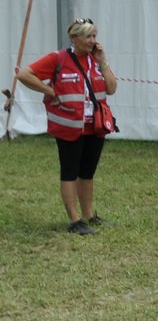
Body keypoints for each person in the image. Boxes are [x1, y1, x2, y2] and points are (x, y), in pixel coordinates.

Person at [17, 18, 120, 235]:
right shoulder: (59, 58)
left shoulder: (95, 60)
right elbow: (24, 74)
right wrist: (50, 92)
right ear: (74, 38)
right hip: (69, 127)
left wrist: (103, 62)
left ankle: (89, 215)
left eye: (94, 35)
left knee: (88, 173)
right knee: (70, 173)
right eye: (88, 36)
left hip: (95, 126)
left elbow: (111, 89)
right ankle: (74, 220)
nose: (93, 40)